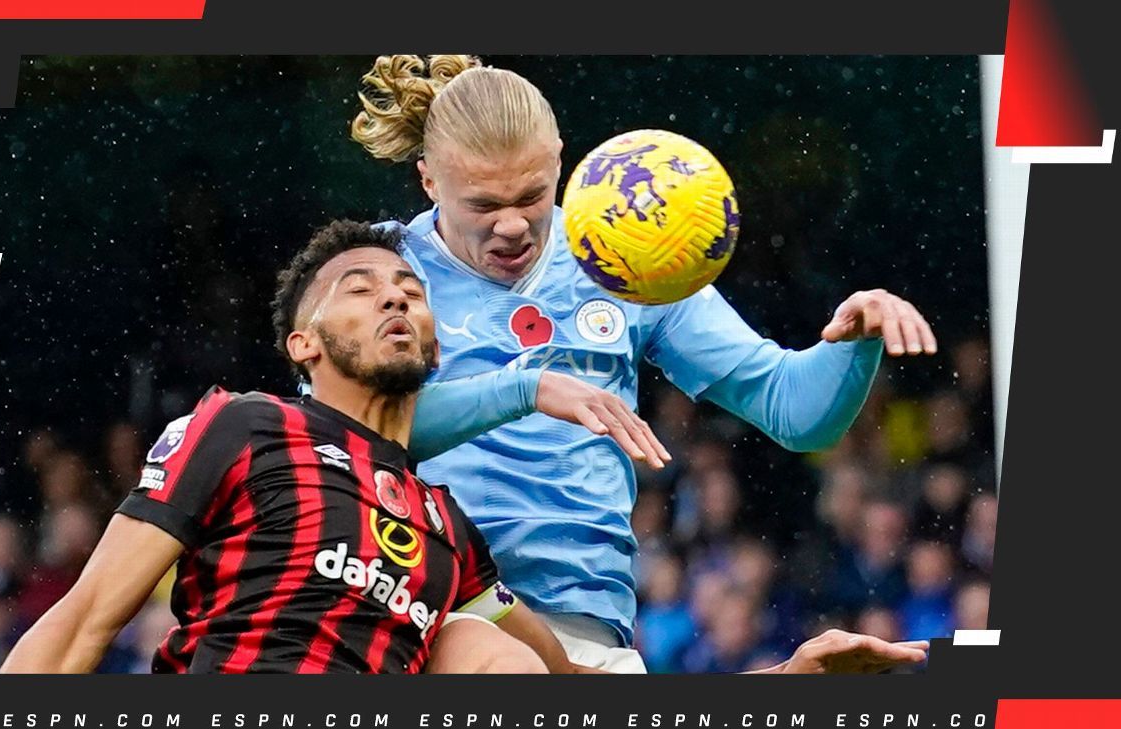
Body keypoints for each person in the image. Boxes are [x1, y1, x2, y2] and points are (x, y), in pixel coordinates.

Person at [0, 220, 927, 675]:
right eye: (360, 289)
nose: (396, 296)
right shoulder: (245, 426)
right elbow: (85, 620)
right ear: (302, 344)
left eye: (409, 287)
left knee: (505, 664)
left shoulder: (448, 536)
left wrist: (784, 682)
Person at [349, 54, 939, 672]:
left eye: (531, 195)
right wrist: (525, 389)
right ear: (428, 182)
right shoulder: (377, 271)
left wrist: (852, 344)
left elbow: (796, 413)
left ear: (560, 161)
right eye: (482, 204)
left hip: (584, 624)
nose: (513, 226)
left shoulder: (625, 256)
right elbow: (338, 436)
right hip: (423, 614)